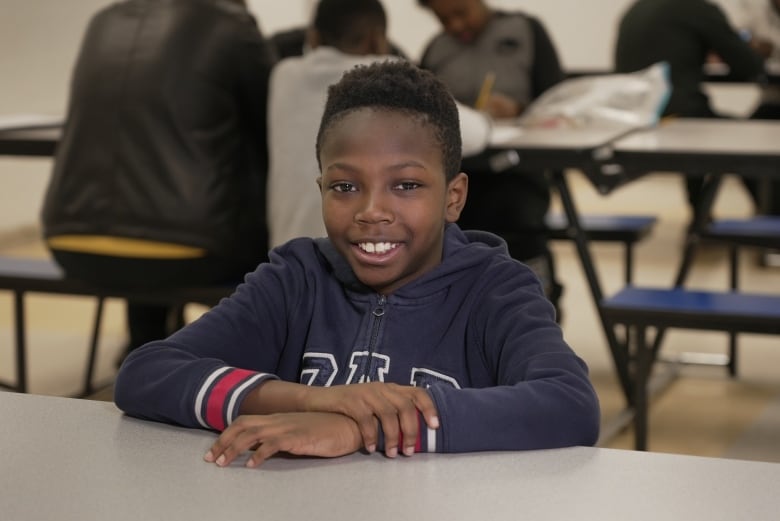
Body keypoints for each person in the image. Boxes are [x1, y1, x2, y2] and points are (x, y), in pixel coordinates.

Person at [114, 60, 600, 468]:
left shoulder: (495, 288)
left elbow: (571, 405)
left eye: (406, 185)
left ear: (454, 198)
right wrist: (312, 400)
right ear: (322, 188)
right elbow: (146, 374)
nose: (372, 211)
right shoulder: (296, 278)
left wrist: (362, 429)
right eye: (345, 187)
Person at [41, 0, 277, 359]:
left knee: (143, 210)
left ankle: (146, 345)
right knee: (284, 247)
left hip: (70, 241)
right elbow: (271, 121)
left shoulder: (103, 21)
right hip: (196, 250)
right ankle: (233, 359)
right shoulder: (231, 26)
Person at [267, 0, 491, 247]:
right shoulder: (386, 79)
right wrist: (488, 117)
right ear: (378, 40)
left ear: (313, 37)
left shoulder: (283, 76)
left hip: (288, 254)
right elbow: (474, 132)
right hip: (368, 254)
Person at [416, 0, 565, 316]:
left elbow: (559, 105)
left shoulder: (526, 32)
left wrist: (521, 111)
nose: (456, 26)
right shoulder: (436, 50)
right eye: (443, 19)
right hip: (457, 181)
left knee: (518, 236)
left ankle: (536, 317)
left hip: (519, 178)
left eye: (460, 13)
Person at [614, 0, 766, 214]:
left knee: (703, 120)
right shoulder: (699, 10)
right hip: (675, 116)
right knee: (754, 140)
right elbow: (749, 65)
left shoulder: (638, 8)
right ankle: (768, 218)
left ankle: (701, 217)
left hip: (633, 116)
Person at [730, 0, 780, 266]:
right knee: (737, 148)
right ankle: (768, 216)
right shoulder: (757, 10)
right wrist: (749, 44)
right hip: (772, 100)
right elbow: (740, 37)